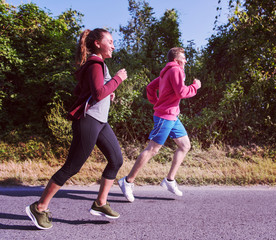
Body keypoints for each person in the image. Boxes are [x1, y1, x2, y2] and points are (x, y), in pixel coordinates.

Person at [25, 28, 128, 230]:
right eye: (110, 41)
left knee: (116, 160)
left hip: (100, 121)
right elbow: (98, 93)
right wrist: (118, 79)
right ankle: (39, 207)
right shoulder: (95, 63)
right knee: (72, 167)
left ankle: (100, 203)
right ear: (97, 43)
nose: (113, 45)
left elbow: (91, 91)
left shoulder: (98, 64)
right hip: (88, 121)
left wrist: (110, 93)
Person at [118, 47, 201, 202]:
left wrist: (157, 103)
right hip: (165, 117)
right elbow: (182, 93)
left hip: (172, 116)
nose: (186, 60)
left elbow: (150, 87)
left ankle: (169, 180)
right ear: (176, 60)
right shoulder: (176, 70)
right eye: (184, 57)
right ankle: (128, 181)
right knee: (152, 150)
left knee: (185, 145)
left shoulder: (166, 72)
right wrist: (195, 86)